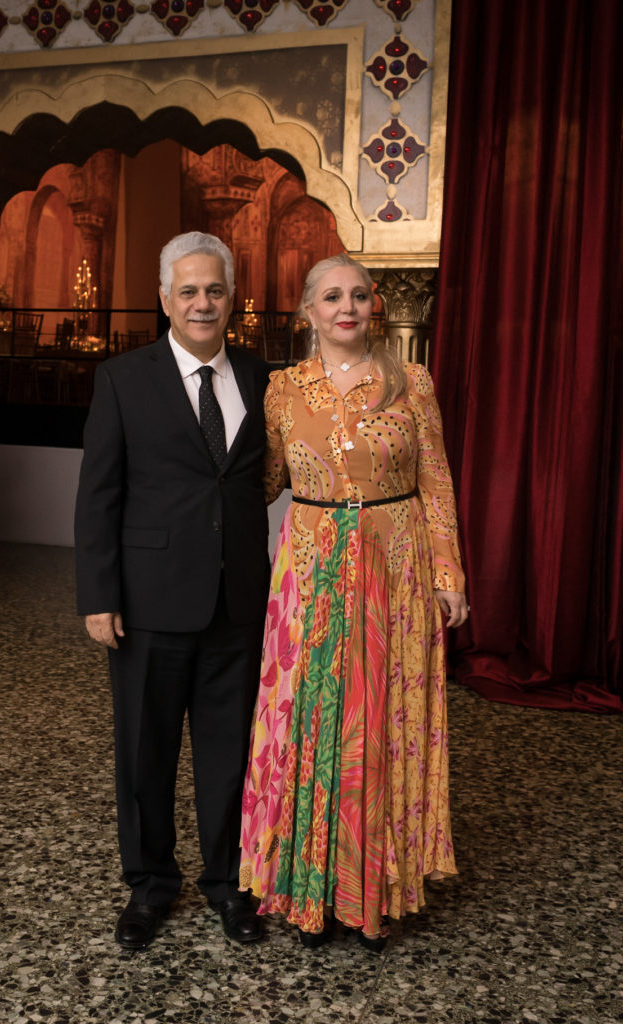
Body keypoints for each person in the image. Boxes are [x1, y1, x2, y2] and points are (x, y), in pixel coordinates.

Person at [239, 253, 467, 952]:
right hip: (308, 576)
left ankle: (372, 892)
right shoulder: (282, 391)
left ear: (374, 306)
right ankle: (308, 890)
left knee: (376, 727)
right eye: (332, 296)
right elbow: (262, 481)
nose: (349, 306)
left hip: (394, 572)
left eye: (360, 295)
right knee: (312, 722)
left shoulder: (412, 382)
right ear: (306, 310)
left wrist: (449, 575)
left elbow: (435, 481)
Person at [74, 232, 271, 949]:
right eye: (187, 290)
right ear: (164, 298)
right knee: (144, 753)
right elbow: (99, 494)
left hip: (240, 602)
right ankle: (151, 885)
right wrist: (98, 595)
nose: (201, 303)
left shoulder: (259, 375)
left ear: (230, 299)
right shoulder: (123, 379)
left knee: (230, 754)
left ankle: (227, 883)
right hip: (149, 599)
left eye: (214, 290)